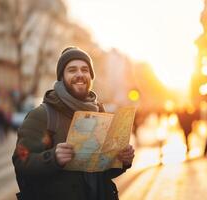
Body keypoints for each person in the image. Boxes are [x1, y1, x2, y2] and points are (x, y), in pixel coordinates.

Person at [12, 46, 135, 200]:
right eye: (72, 70)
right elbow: (21, 161)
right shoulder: (42, 115)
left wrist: (122, 161)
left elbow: (100, 172)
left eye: (85, 70)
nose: (80, 74)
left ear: (91, 76)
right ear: (61, 77)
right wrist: (53, 158)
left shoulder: (100, 113)